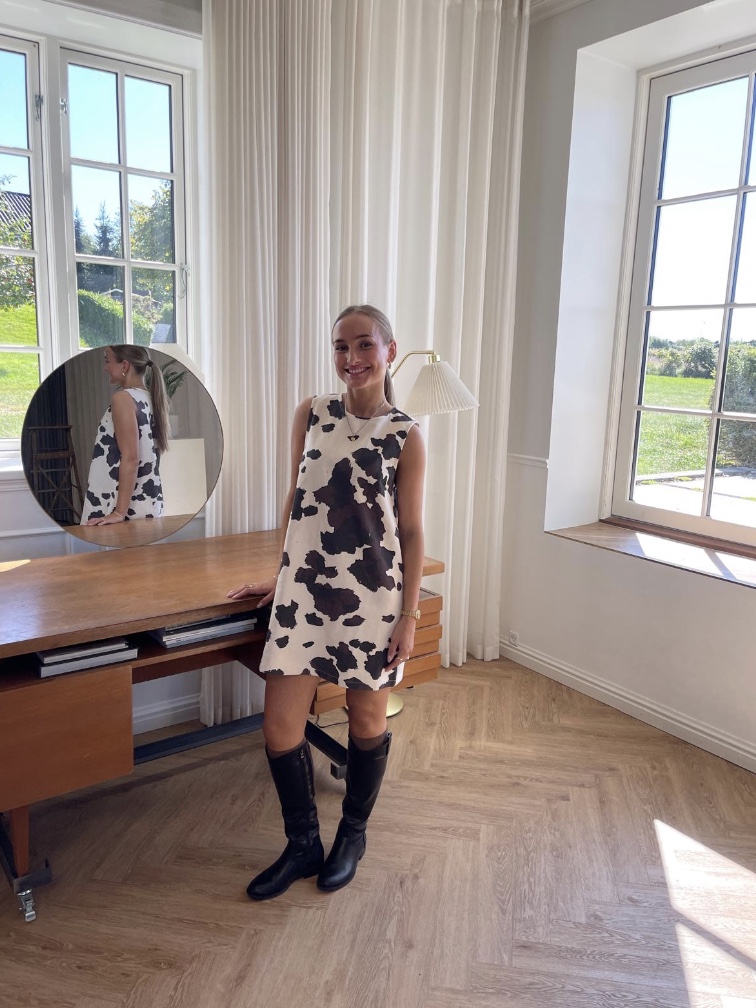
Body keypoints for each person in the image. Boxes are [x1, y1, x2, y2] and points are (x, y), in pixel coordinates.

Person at [228, 304, 426, 900]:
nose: (352, 358)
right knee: (280, 727)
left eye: (364, 345)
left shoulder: (405, 435)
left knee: (365, 722)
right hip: (304, 594)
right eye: (341, 346)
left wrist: (410, 615)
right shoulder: (311, 413)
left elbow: (411, 531)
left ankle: (352, 836)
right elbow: (296, 500)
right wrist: (281, 574)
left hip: (374, 598)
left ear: (390, 351)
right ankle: (303, 845)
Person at [80, 345, 169, 526]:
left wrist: (119, 512)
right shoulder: (150, 398)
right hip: (147, 499)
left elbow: (131, 458)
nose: (105, 368)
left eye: (108, 361)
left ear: (125, 366)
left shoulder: (122, 398)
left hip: (117, 501)